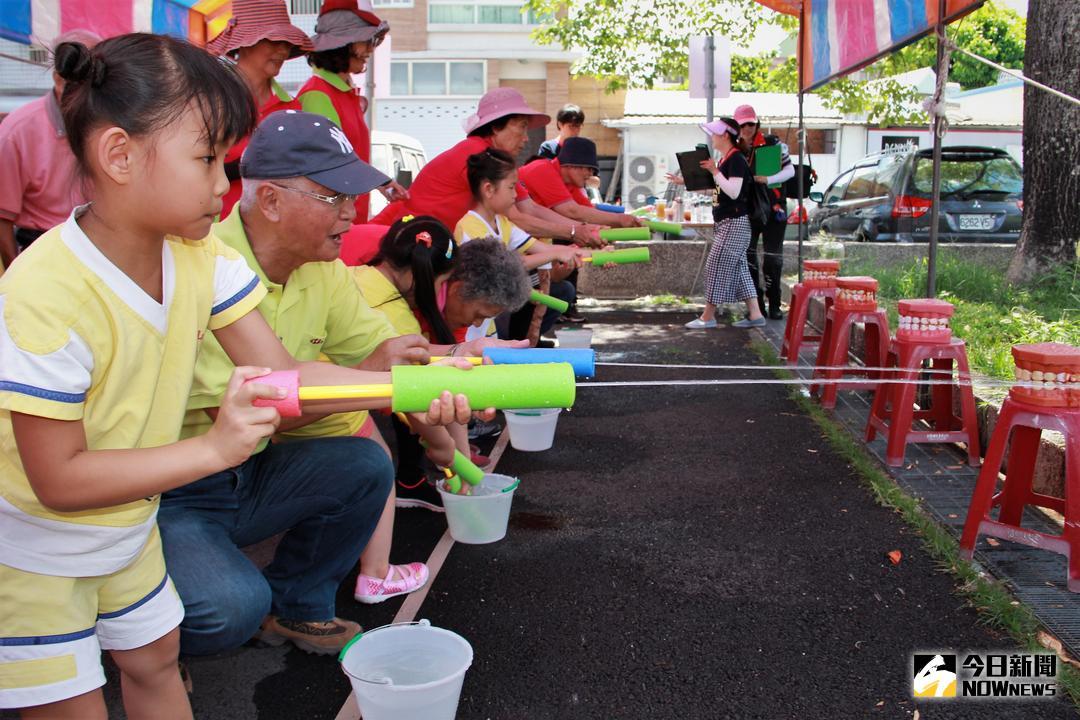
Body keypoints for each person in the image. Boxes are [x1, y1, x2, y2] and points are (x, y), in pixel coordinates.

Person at [159, 111, 483, 658]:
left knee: (365, 465)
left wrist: (427, 376)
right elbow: (271, 399)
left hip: (247, 469)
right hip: (173, 487)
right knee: (227, 609)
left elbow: (385, 353)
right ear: (271, 202)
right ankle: (153, 645)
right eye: (333, 197)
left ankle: (295, 606)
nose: (351, 213)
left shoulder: (321, 266)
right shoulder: (203, 265)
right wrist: (395, 386)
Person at [354, 217, 528, 510]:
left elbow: (448, 380)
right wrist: (446, 450)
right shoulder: (397, 291)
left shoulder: (434, 287)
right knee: (377, 450)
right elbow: (405, 391)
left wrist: (462, 462)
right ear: (455, 289)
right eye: (479, 314)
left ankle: (409, 480)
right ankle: (408, 481)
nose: (477, 324)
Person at [370, 87, 608, 247]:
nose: (526, 138)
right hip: (395, 240)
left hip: (423, 242)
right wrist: (577, 232)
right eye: (521, 127)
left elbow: (530, 209)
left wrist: (583, 228)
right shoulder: (479, 154)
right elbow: (519, 218)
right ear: (495, 127)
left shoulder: (493, 159)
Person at [456, 148, 584, 340]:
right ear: (489, 189)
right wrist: (556, 254)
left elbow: (545, 249)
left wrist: (589, 252)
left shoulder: (503, 223)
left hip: (487, 324)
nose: (516, 194)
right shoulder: (469, 227)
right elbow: (506, 266)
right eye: (511, 187)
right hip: (467, 328)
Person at [298, 0, 407, 222]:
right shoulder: (318, 94)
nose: (370, 49)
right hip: (329, 223)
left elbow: (349, 157)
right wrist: (378, 181)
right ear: (341, 45)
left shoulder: (344, 92)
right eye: (364, 41)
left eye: (372, 41)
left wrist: (380, 182)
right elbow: (332, 162)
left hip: (348, 219)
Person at [0, 29, 100, 269]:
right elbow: (2, 218)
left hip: (101, 248)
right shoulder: (18, 131)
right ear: (58, 79)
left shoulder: (107, 121)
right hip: (42, 252)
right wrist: (16, 275)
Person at [207, 0, 313, 219]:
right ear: (245, 43)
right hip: (217, 230)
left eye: (287, 43)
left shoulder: (292, 108)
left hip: (274, 232)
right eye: (274, 40)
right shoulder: (211, 99)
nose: (283, 50)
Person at [518, 136, 637, 324]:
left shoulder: (568, 183)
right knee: (533, 289)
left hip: (537, 243)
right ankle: (519, 343)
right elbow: (572, 212)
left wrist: (601, 241)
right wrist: (619, 221)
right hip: (517, 246)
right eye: (589, 169)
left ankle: (530, 343)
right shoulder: (543, 169)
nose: (590, 175)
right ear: (573, 165)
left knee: (556, 286)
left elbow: (587, 214)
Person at [684, 117, 765, 330]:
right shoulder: (725, 160)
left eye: (714, 133)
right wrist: (687, 182)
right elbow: (718, 191)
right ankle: (755, 314)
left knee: (715, 265)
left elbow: (733, 191)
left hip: (734, 223)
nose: (712, 137)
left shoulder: (735, 159)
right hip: (729, 222)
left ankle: (707, 316)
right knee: (740, 270)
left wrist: (714, 171)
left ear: (725, 135)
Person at [734, 104, 794, 320]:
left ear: (756, 123)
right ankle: (756, 305)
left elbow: (790, 170)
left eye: (751, 123)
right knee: (749, 258)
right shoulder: (734, 148)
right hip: (749, 211)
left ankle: (775, 303)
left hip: (774, 209)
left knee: (772, 259)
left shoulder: (773, 144)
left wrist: (768, 179)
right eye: (743, 124)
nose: (747, 128)